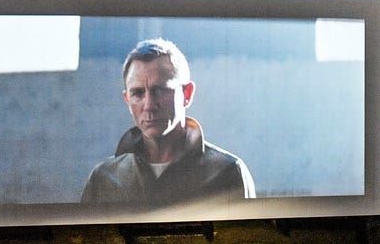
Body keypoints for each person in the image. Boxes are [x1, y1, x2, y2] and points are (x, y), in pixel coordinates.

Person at [80, 38, 256, 205]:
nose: (149, 105)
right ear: (127, 100)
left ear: (187, 94)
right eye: (138, 93)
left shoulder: (227, 173)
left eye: (159, 91)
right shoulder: (103, 179)